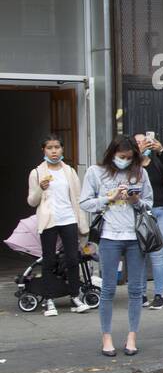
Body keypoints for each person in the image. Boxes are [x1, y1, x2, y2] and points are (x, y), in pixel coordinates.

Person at [80, 136, 153, 357]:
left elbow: (149, 203)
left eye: (130, 158)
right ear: (113, 154)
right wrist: (107, 198)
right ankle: (107, 337)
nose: (125, 161)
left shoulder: (140, 172)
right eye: (122, 157)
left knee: (135, 290)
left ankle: (132, 336)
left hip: (135, 236)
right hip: (110, 235)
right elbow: (84, 202)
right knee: (108, 289)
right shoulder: (95, 172)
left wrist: (135, 201)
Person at [27, 134, 91, 316]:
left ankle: (75, 296)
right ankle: (49, 300)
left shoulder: (69, 171)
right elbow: (32, 201)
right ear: (43, 150)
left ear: (62, 149)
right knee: (49, 260)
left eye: (57, 147)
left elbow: (77, 198)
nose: (54, 151)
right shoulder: (37, 173)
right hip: (48, 221)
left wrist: (82, 221)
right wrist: (41, 188)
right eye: (50, 148)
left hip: (68, 218)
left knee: (72, 259)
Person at [133, 132, 163, 309]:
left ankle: (159, 295)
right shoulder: (131, 166)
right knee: (140, 253)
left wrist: (161, 150)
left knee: (157, 254)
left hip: (161, 211)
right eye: (137, 143)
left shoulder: (156, 164)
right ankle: (142, 294)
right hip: (141, 213)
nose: (141, 145)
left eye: (143, 142)